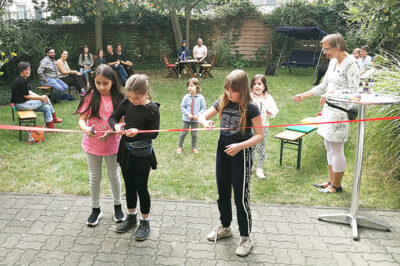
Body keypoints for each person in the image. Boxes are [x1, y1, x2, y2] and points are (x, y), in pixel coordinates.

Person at [198, 69, 264, 257]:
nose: (229, 94)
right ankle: (225, 226)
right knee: (223, 191)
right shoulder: (223, 102)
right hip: (223, 150)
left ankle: (246, 237)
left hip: (241, 153)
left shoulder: (251, 108)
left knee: (240, 198)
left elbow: (259, 135)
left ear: (242, 90)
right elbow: (202, 116)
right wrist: (206, 123)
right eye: (227, 89)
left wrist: (240, 146)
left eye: (233, 91)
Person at [293, 33, 359, 194]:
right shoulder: (332, 62)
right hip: (329, 109)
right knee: (328, 145)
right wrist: (304, 95)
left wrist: (332, 94)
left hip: (340, 112)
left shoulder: (351, 63)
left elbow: (355, 91)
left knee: (336, 148)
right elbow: (324, 86)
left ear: (338, 47)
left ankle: (336, 186)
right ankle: (330, 181)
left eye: (327, 49)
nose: (325, 53)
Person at [109, 74, 160, 241]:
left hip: (142, 154)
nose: (131, 100)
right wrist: (116, 125)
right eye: (129, 97)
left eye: (136, 98)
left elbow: (154, 134)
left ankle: (145, 221)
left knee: (141, 187)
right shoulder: (126, 102)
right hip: (126, 151)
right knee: (129, 185)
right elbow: (113, 117)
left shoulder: (152, 109)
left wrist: (138, 131)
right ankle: (131, 217)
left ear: (146, 93)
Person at [75, 64, 126, 227]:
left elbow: (123, 123)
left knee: (114, 175)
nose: (101, 87)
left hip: (113, 145)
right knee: (94, 177)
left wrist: (112, 132)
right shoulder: (90, 96)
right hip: (92, 145)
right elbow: (82, 119)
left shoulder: (119, 98)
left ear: (112, 81)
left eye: (105, 83)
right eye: (98, 83)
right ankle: (95, 209)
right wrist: (86, 129)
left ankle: (117, 206)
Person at [11, 62, 62, 129]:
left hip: (25, 103)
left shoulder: (23, 79)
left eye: (29, 69)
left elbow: (29, 92)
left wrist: (40, 97)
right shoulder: (21, 81)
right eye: (26, 70)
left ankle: (50, 127)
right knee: (47, 99)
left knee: (46, 107)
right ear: (21, 71)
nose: (28, 71)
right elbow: (26, 96)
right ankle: (54, 118)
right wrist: (41, 98)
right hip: (21, 105)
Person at [250, 74, 279, 179]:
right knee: (250, 147)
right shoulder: (250, 97)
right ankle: (250, 165)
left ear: (264, 85)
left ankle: (259, 168)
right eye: (254, 84)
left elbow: (274, 111)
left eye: (259, 84)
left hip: (263, 127)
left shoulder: (268, 98)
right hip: (251, 127)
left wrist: (269, 112)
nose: (257, 86)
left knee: (261, 148)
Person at [177, 78, 206, 154]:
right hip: (186, 119)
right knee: (183, 133)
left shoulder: (201, 98)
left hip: (196, 120)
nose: (189, 87)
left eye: (191, 86)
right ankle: (179, 147)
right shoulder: (186, 97)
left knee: (194, 134)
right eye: (188, 86)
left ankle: (194, 147)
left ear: (197, 87)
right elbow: (182, 107)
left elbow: (203, 108)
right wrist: (187, 113)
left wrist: (198, 115)